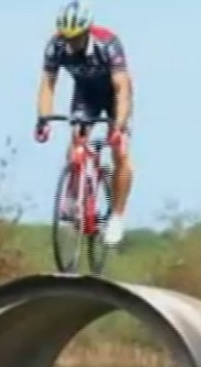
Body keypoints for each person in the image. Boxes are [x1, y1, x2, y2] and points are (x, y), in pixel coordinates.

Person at [34, 0, 133, 246]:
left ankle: (117, 217)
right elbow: (47, 84)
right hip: (86, 93)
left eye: (76, 39)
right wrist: (43, 118)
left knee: (120, 153)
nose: (71, 44)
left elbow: (122, 88)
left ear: (87, 31)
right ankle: (73, 196)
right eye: (67, 39)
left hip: (114, 94)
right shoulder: (56, 45)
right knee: (77, 140)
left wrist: (118, 127)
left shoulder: (108, 43)